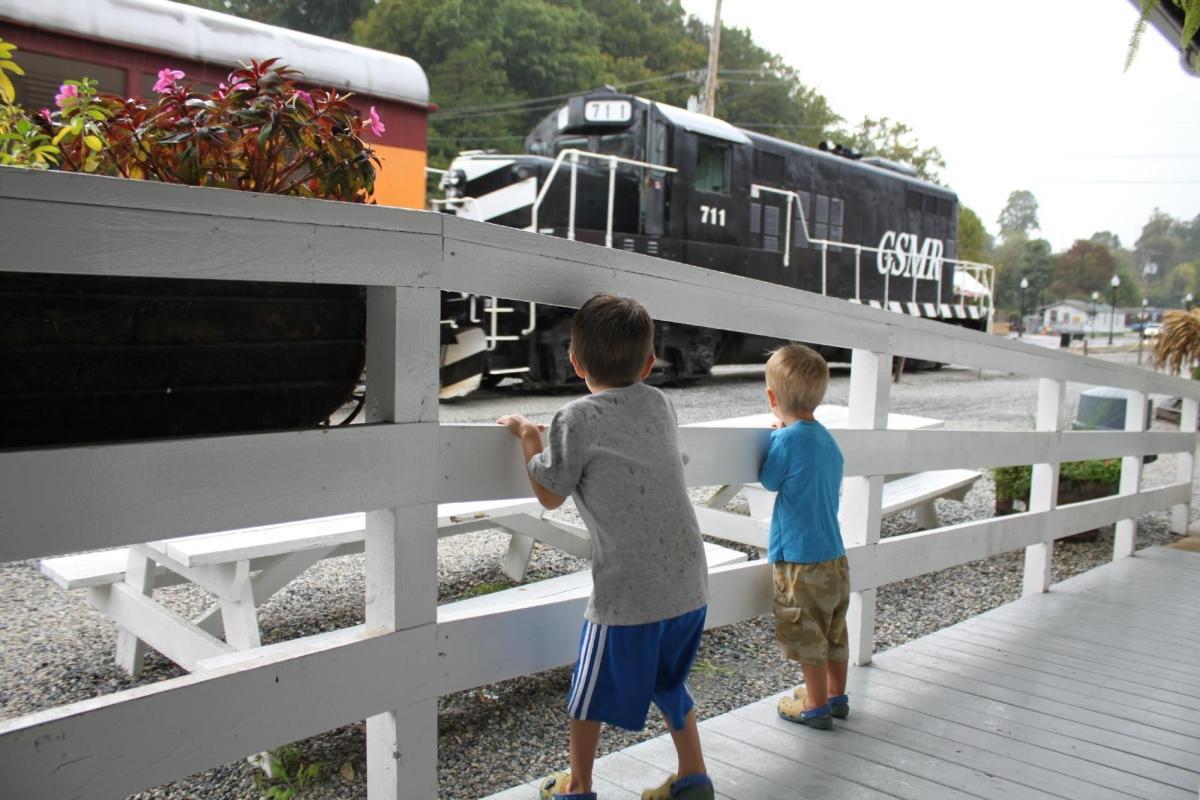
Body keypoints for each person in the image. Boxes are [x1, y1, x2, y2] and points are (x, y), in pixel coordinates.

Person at [497, 293, 714, 800]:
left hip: (628, 590)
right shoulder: (660, 403)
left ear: (574, 362)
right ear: (647, 363)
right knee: (668, 681)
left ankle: (578, 786)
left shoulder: (575, 418)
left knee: (586, 697)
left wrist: (530, 435)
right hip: (690, 582)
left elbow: (550, 493)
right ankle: (693, 775)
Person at [759, 343, 850, 730]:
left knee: (808, 632)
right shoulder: (828, 440)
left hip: (799, 560)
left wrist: (777, 436)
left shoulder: (786, 440)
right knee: (834, 630)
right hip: (835, 557)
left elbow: (768, 481)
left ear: (772, 398)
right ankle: (836, 695)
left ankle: (814, 705)